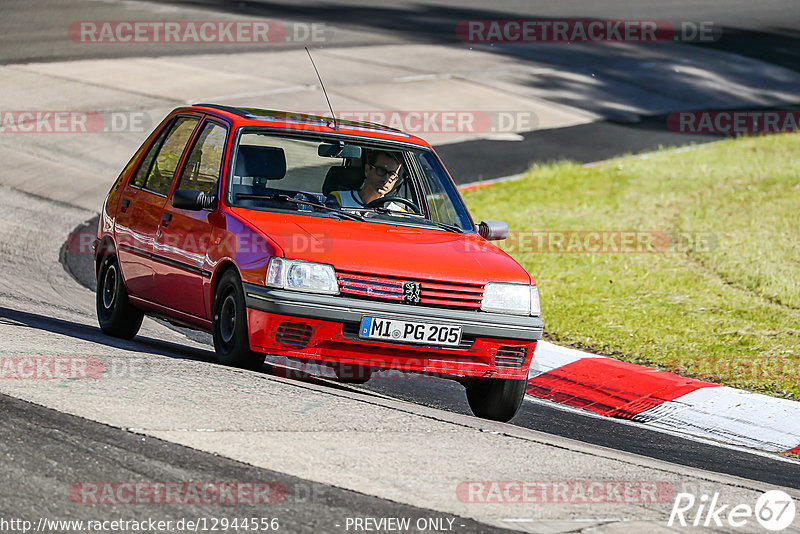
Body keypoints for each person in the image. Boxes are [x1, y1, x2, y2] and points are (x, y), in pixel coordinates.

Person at [331, 150, 406, 210]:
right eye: (381, 170)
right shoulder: (339, 199)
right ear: (367, 170)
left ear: (396, 179)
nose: (386, 179)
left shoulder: (398, 214)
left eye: (392, 174)